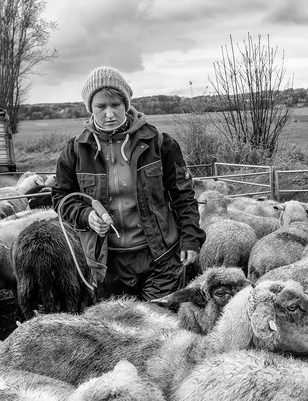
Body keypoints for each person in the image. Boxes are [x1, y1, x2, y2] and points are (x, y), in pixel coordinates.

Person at [52, 66, 203, 301]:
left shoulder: (159, 144)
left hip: (160, 257)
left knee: (160, 328)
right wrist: (86, 216)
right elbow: (61, 198)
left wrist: (191, 239)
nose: (109, 114)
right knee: (120, 331)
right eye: (101, 106)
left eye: (116, 106)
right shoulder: (75, 151)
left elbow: (183, 195)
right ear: (90, 109)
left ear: (127, 104)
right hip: (107, 264)